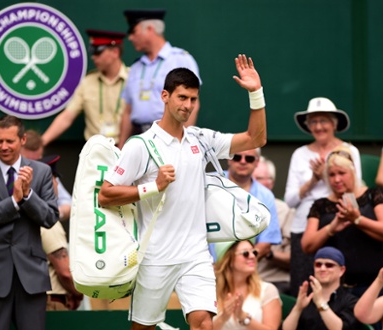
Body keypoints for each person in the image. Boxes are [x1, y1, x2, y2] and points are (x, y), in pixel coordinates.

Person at [98, 55, 267, 330]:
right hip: (154, 256)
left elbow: (255, 139)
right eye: (182, 97)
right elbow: (105, 195)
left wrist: (256, 94)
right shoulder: (140, 145)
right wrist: (153, 187)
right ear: (165, 96)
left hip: (196, 254)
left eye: (193, 99)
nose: (187, 105)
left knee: (203, 323)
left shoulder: (201, 139)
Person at [0, 115, 59, 330]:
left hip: (31, 278)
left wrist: (27, 196)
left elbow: (50, 218)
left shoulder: (41, 172)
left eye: (10, 141)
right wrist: (14, 202)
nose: (4, 147)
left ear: (23, 140)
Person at [284, 97, 362, 296]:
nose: (319, 127)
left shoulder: (349, 150)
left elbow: (356, 188)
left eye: (324, 121)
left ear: (334, 124)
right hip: (303, 228)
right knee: (304, 288)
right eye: (313, 122)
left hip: (340, 225)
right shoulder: (299, 154)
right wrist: (313, 180)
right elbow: (290, 200)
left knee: (340, 290)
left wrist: (327, 176)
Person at [301, 145, 383, 298]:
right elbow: (307, 245)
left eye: (342, 173)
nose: (337, 179)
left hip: (371, 286)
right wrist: (331, 227)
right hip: (333, 289)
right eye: (331, 175)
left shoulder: (373, 196)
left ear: (354, 172)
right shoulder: (320, 205)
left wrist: (357, 219)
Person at [118, 9, 201, 146]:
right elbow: (128, 111)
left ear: (150, 29)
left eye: (134, 31)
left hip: (169, 137)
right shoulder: (136, 67)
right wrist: (121, 147)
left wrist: (182, 142)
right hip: (139, 139)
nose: (130, 38)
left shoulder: (180, 59)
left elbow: (193, 104)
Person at [42, 30, 128, 146]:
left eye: (98, 52)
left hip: (126, 150)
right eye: (92, 53)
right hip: (95, 152)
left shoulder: (133, 79)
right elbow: (67, 116)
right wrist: (42, 143)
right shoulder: (87, 82)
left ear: (115, 52)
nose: (93, 57)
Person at [220, 148, 282, 272]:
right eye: (237, 157)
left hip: (245, 273)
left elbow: (265, 243)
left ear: (257, 162)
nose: (243, 162)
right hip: (206, 268)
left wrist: (241, 264)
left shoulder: (266, 196)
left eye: (249, 158)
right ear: (228, 158)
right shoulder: (209, 183)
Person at [38, 155, 84, 311]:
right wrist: (77, 294)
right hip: (51, 302)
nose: (57, 183)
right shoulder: (46, 218)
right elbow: (64, 272)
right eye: (54, 179)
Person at [282, 247, 362, 330]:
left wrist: (320, 303)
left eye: (329, 265)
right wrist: (298, 308)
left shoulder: (352, 302)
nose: (322, 269)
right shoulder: (306, 298)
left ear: (341, 270)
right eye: (318, 265)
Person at [213, 240, 282, 329]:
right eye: (245, 253)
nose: (252, 256)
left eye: (254, 252)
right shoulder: (211, 292)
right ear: (229, 260)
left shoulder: (268, 290)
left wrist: (243, 316)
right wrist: (223, 318)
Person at [253, 156, 294, 294]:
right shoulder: (232, 207)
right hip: (237, 281)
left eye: (266, 178)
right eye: (256, 179)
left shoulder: (285, 210)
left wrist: (268, 253)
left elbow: (294, 258)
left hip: (274, 281)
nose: (262, 183)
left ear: (272, 183)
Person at [22, 130, 72, 223]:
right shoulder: (7, 172)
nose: (34, 166)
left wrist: (57, 213)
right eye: (28, 161)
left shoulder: (45, 171)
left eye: (38, 160)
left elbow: (68, 203)